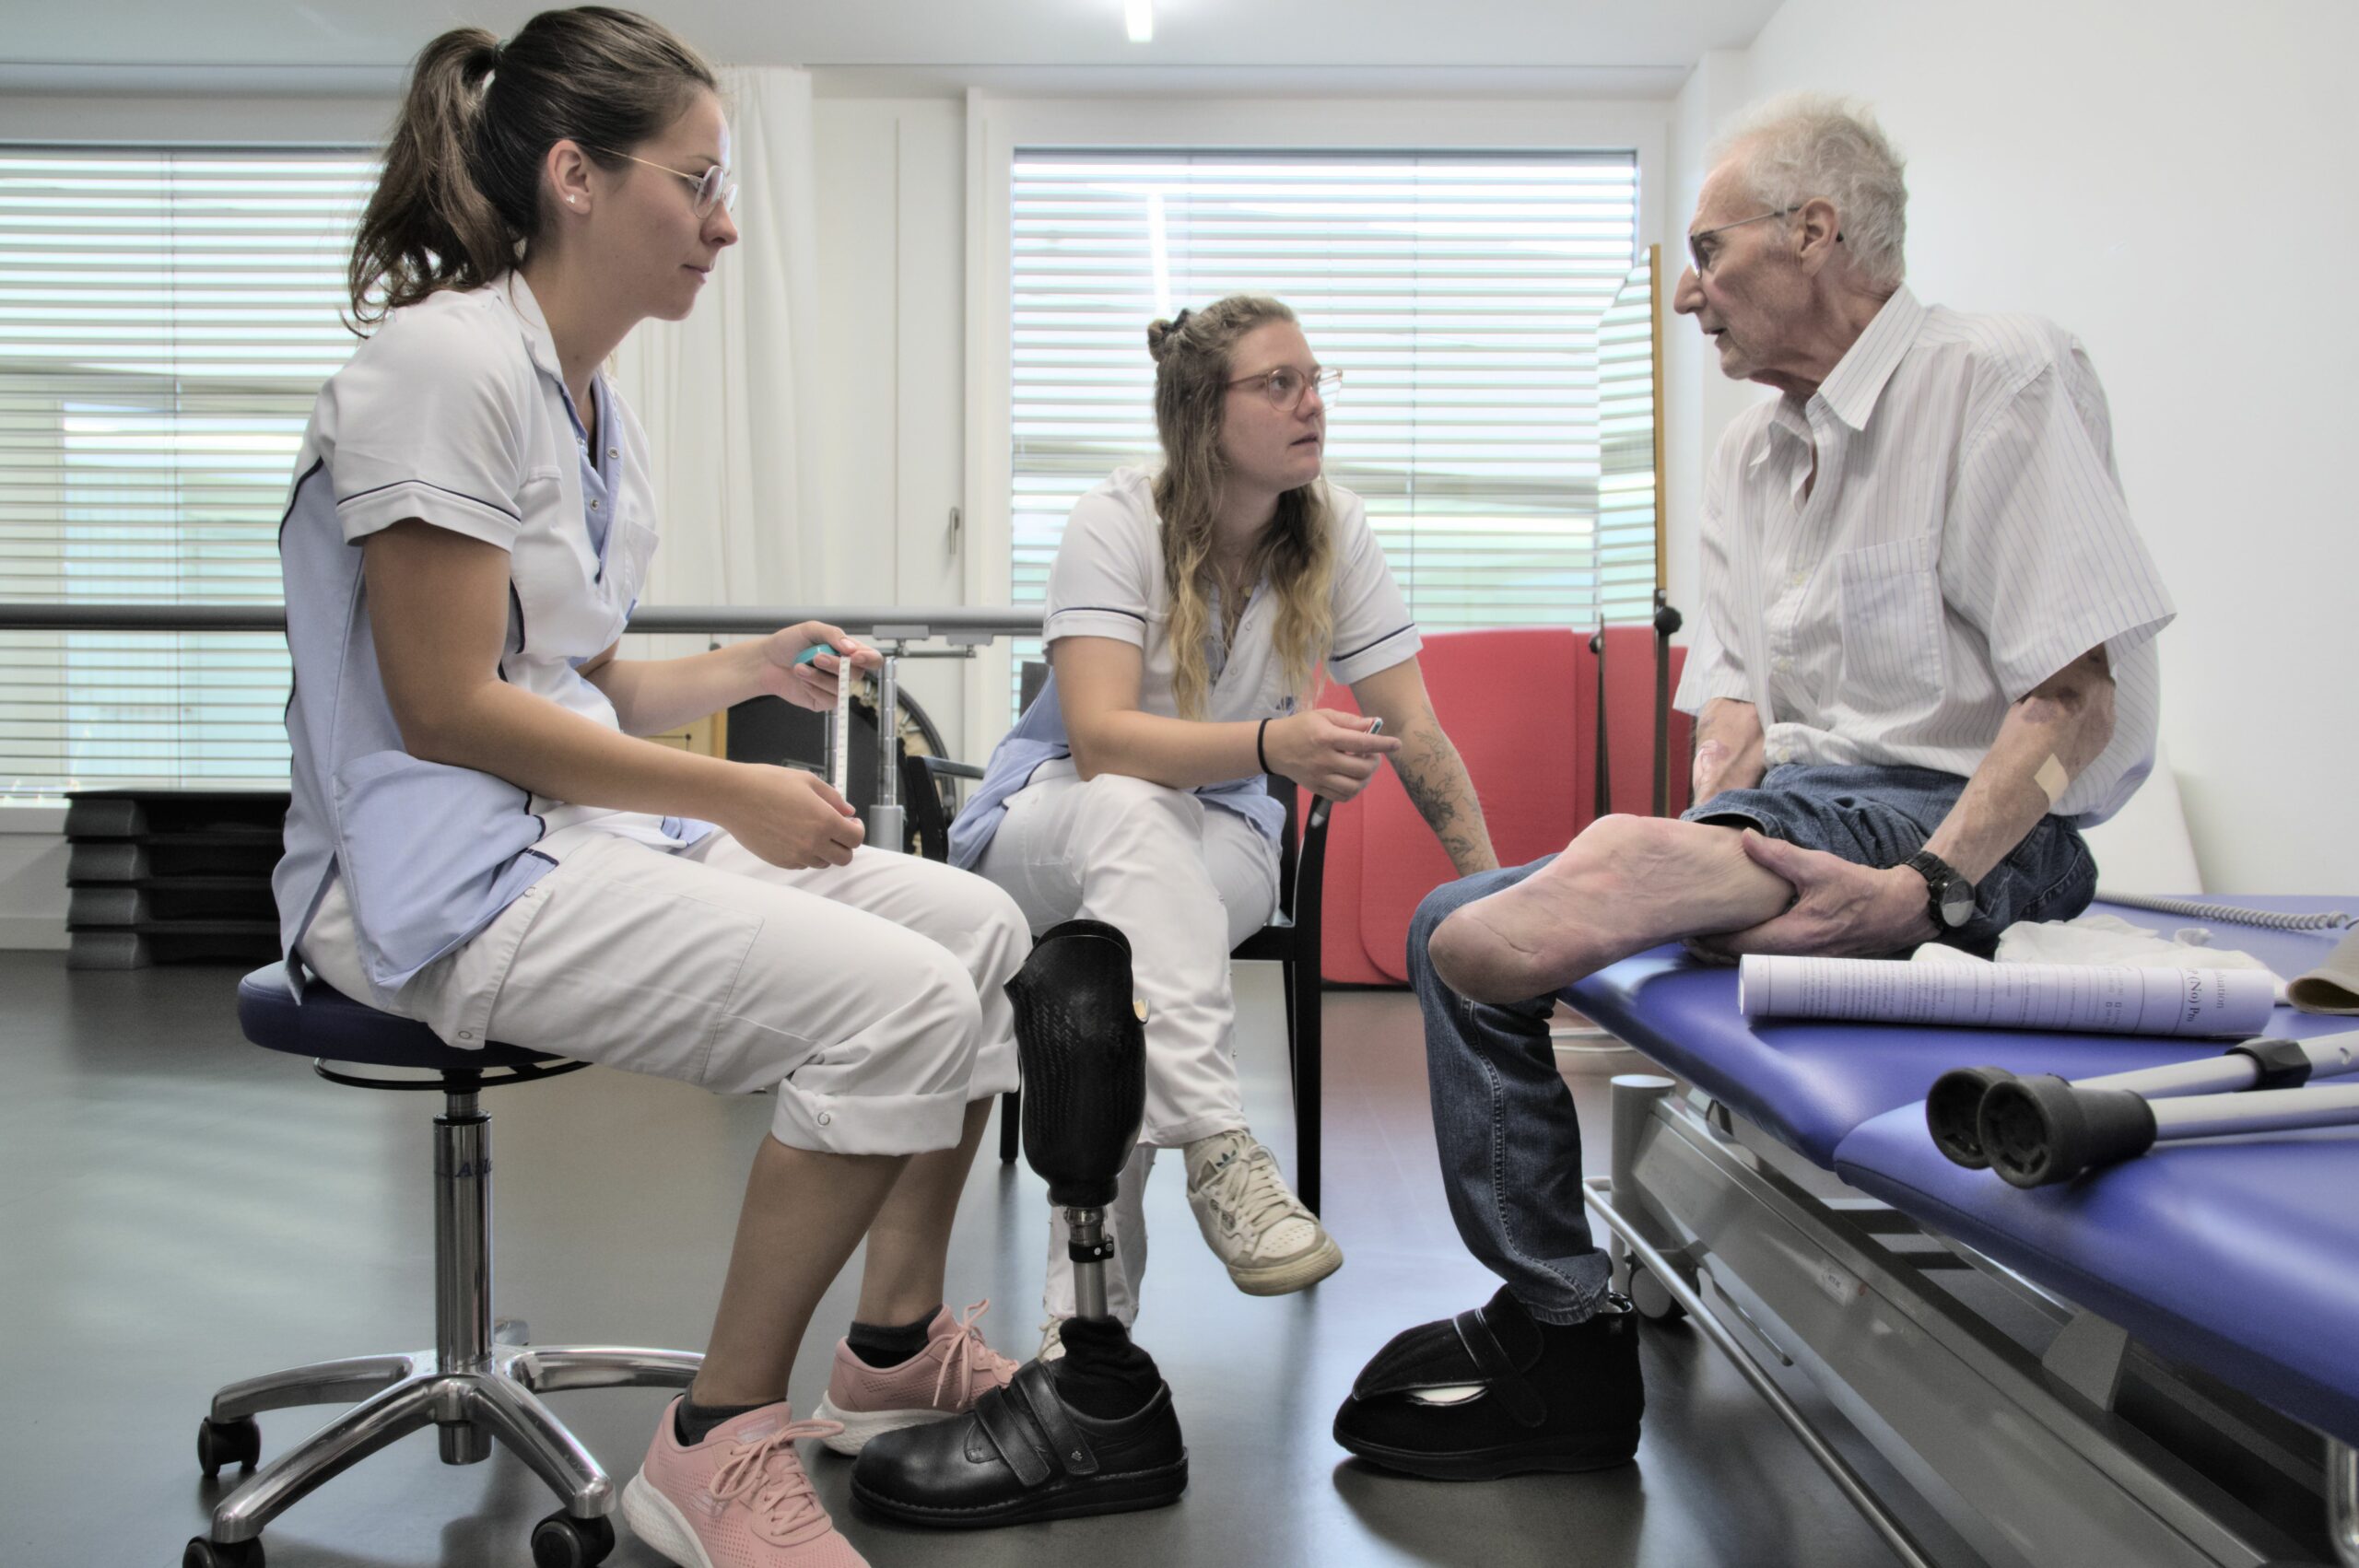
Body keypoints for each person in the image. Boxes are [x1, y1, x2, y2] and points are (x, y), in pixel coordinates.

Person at [274, 13, 1027, 1565]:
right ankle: (708, 1448)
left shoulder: (590, 403)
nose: (726, 222)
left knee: (975, 931)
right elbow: (442, 706)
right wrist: (744, 801)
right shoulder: (441, 367)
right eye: (698, 183)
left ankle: (884, 1352)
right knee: (893, 1006)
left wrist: (749, 670)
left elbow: (577, 680)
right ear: (575, 177)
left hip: (577, 834)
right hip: (441, 886)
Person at [1334, 93, 2175, 1480]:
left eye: (1705, 250)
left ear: (1814, 232)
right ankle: (1564, 1316)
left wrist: (1925, 890)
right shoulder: (1748, 453)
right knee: (1450, 933)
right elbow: (1732, 696)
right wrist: (1713, 798)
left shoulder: (1998, 376)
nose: (1684, 292)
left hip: (1977, 831)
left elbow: (2073, 696)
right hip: (1792, 811)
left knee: (1514, 929)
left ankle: (1655, 873)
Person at [953, 294, 1500, 1345]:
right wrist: (1267, 746)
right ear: (1203, 414)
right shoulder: (1115, 521)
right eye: (1277, 384)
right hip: (1054, 815)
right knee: (1127, 811)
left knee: (1127, 965)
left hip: (1221, 839)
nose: (1311, 405)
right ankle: (1216, 1140)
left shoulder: (1333, 533)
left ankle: (1087, 1320)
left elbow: (1416, 729)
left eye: (1315, 380)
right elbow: (1103, 739)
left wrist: (1500, 895)